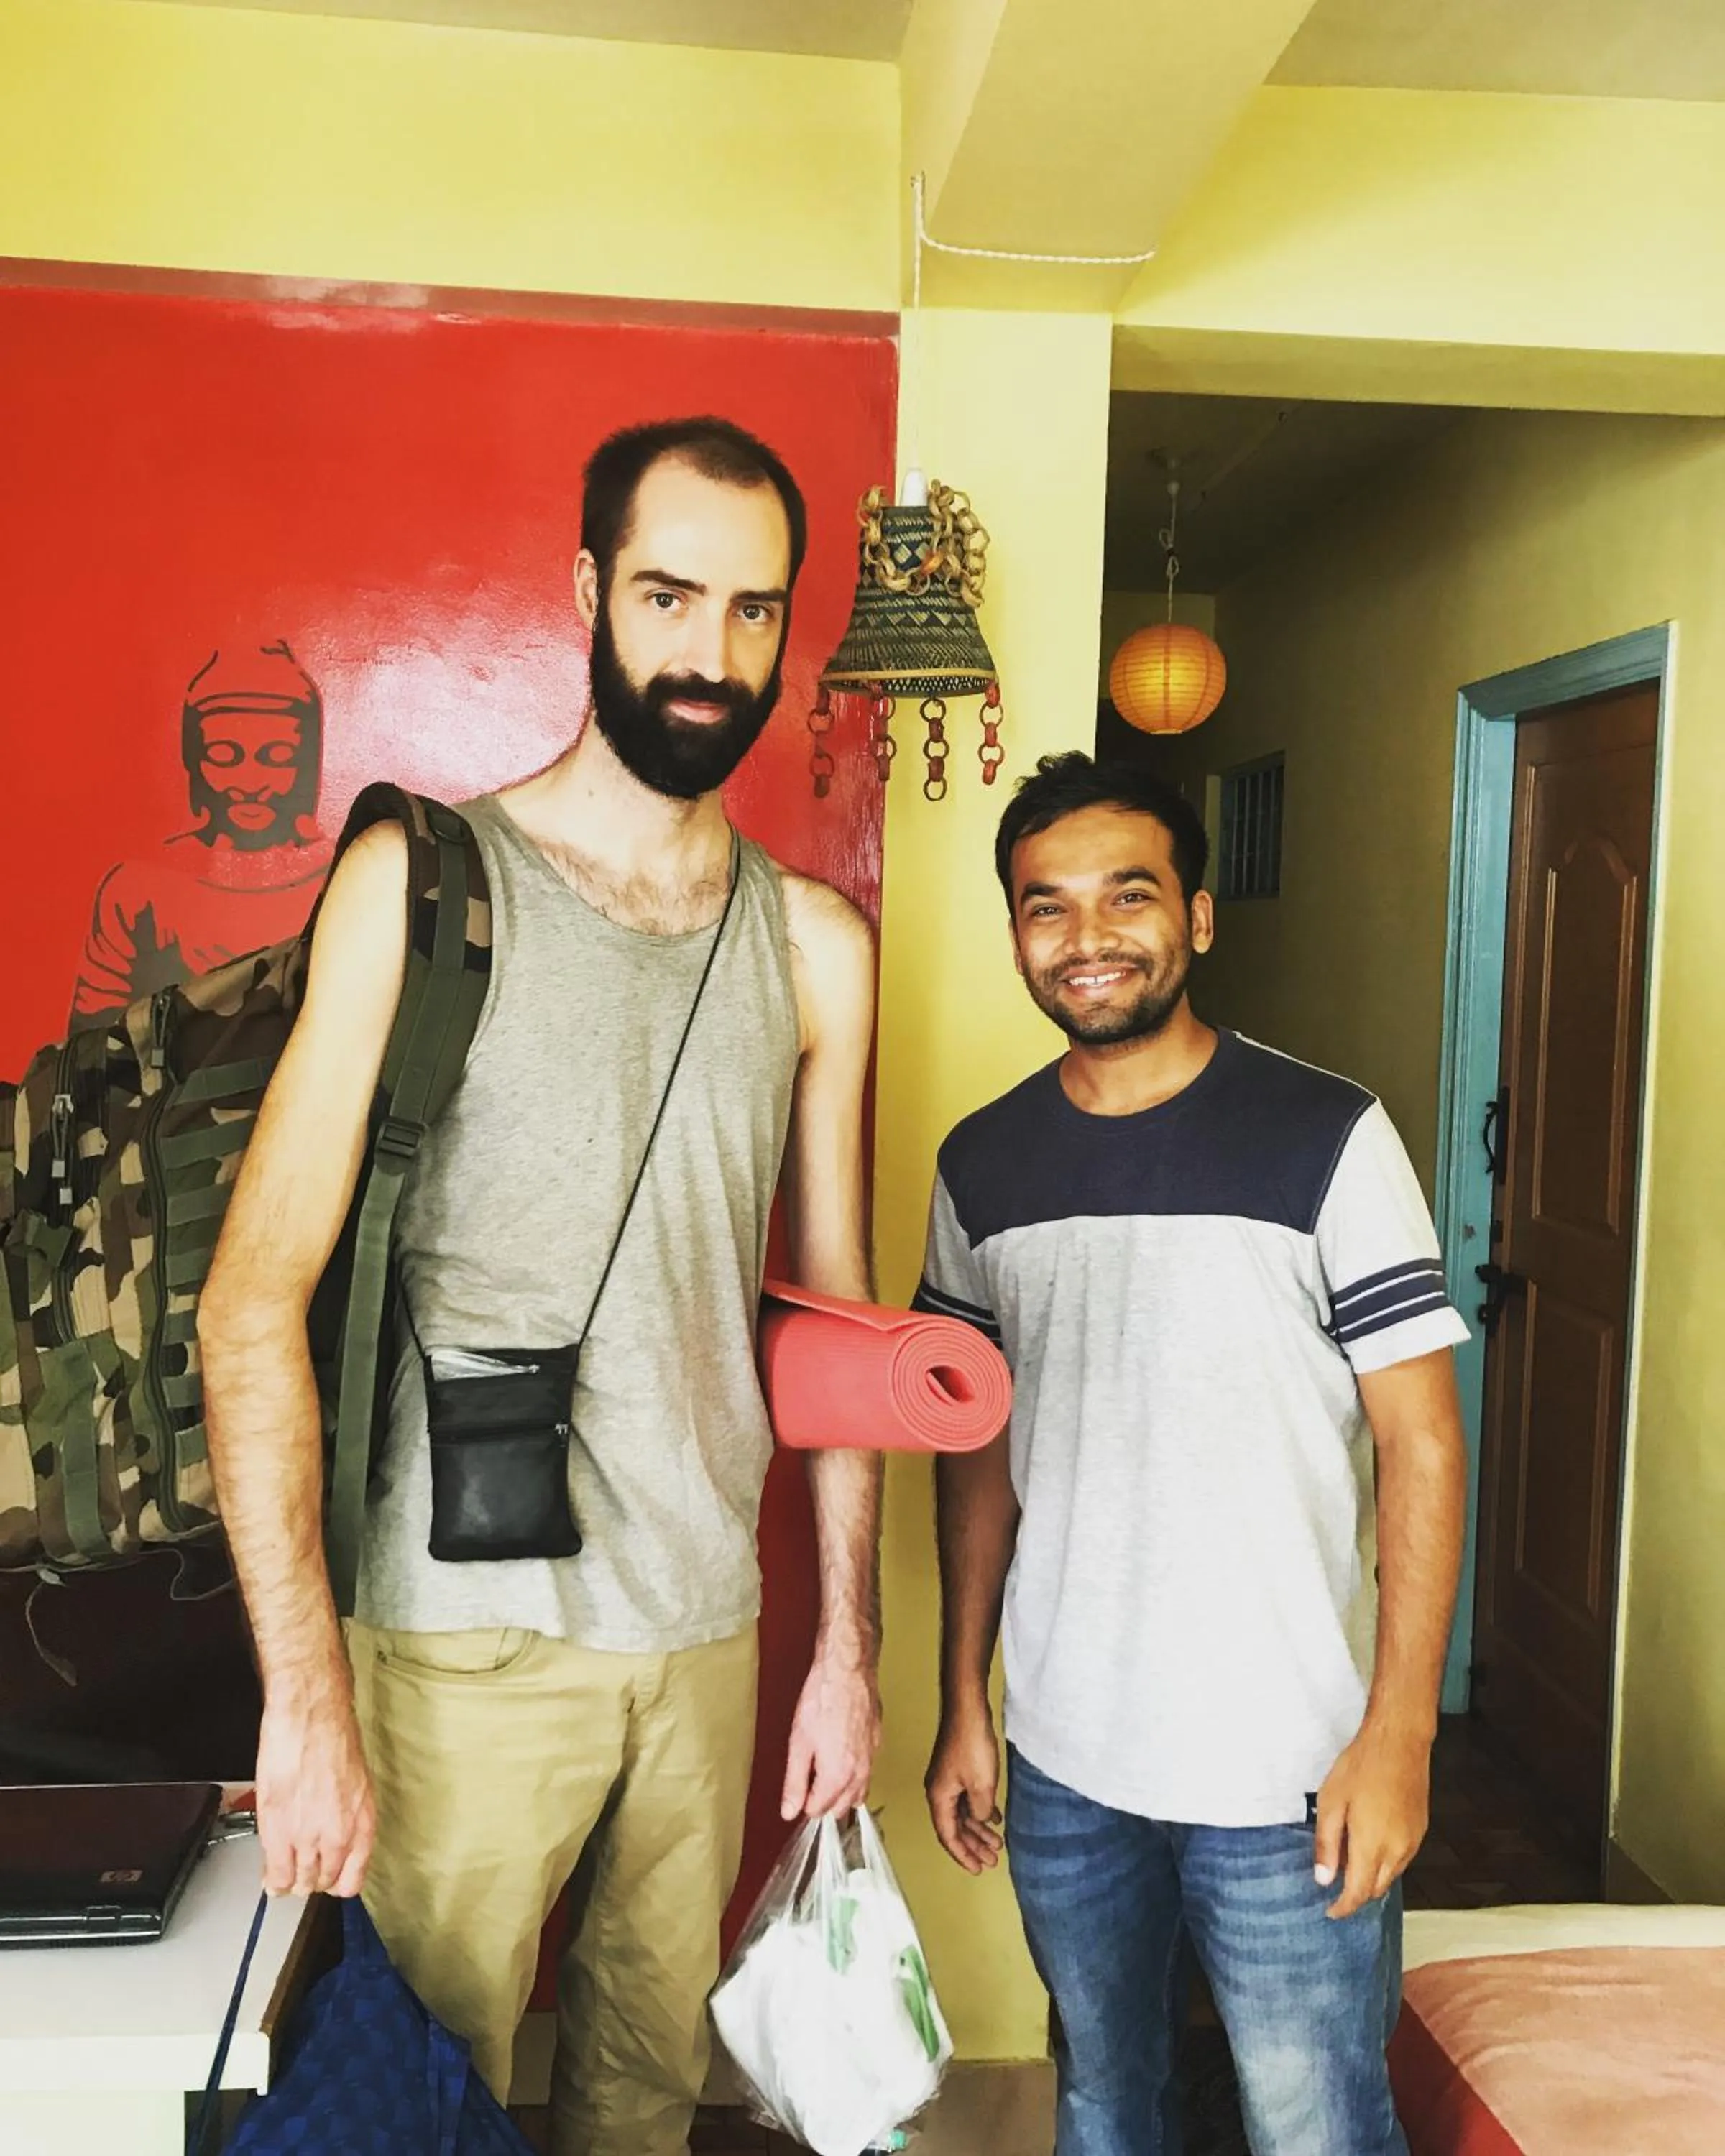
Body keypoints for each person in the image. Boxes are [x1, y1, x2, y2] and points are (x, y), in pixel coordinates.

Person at [201, 418, 884, 2156]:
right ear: (587, 591)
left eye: (750, 612)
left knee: (643, 2103)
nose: (708, 653)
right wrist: (303, 1696)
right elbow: (246, 1303)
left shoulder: (813, 949)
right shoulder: (425, 885)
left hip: (707, 1626)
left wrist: (846, 1650)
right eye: (667, 595)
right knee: (419, 2099)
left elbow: (837, 1328)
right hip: (457, 1649)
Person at [919, 752, 1468, 2156]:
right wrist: (964, 1700)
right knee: (1107, 2101)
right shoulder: (981, 1165)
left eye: (1129, 895)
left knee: (1316, 2126)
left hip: (1286, 1772)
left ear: (1200, 918)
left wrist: (1399, 1736)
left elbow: (1421, 1445)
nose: (1088, 936)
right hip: (1065, 1757)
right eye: (1047, 906)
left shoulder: (1329, 1138)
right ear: (1016, 935)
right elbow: (972, 1451)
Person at [70, 640, 333, 1025]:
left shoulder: (342, 875)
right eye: (224, 755)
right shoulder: (139, 889)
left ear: (306, 762)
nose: (250, 782)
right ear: (194, 758)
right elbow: (91, 1041)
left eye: (276, 756)